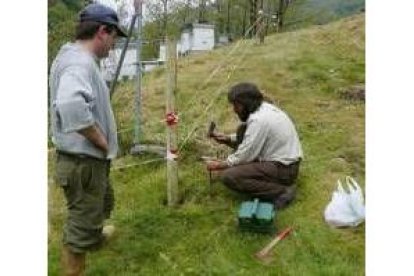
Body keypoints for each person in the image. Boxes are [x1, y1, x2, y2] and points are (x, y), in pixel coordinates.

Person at [49, 3, 127, 275]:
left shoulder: (74, 58)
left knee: (98, 208)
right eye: (114, 37)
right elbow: (70, 104)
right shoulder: (79, 62)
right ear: (103, 31)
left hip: (85, 162)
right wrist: (100, 140)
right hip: (83, 163)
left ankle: (93, 231)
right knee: (77, 236)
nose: (114, 45)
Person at [206, 82, 303, 209]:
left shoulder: (259, 120)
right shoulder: (263, 109)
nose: (234, 109)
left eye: (237, 105)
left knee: (230, 176)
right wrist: (227, 138)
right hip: (286, 163)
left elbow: (246, 153)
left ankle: (281, 191)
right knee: (242, 130)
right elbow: (251, 138)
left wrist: (220, 165)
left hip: (284, 169)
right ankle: (272, 183)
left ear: (246, 104)